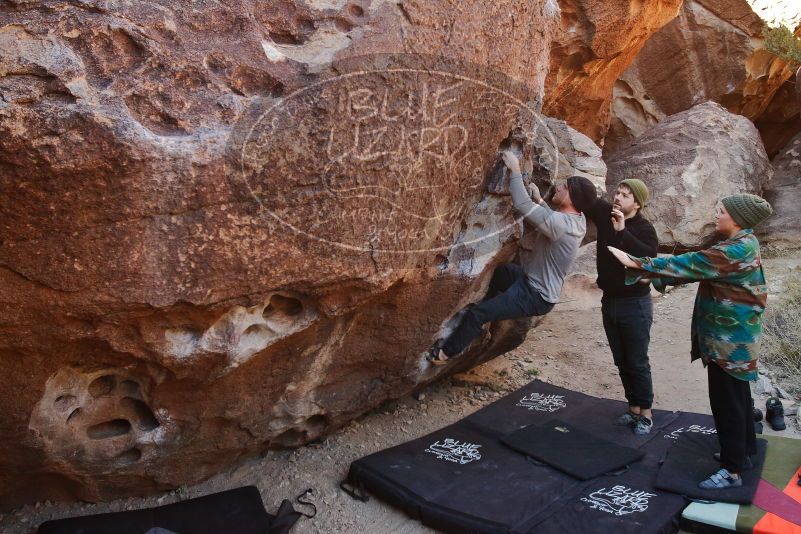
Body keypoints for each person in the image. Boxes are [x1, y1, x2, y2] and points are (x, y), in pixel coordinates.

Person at [608, 193, 773, 489]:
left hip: (730, 344)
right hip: (733, 341)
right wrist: (654, 277)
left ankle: (732, 471)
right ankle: (743, 452)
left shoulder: (736, 249)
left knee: (728, 403)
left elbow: (696, 262)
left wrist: (639, 263)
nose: (716, 214)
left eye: (721, 211)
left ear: (736, 219)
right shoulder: (740, 245)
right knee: (738, 399)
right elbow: (703, 270)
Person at [428, 151, 597, 365]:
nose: (558, 187)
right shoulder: (577, 220)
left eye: (564, 186)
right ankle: (491, 310)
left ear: (571, 196)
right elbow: (554, 222)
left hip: (535, 295)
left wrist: (515, 170)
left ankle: (445, 354)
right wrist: (540, 201)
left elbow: (523, 205)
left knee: (478, 314)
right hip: (529, 282)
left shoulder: (561, 225)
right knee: (500, 273)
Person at [586, 179, 658, 435]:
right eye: (617, 192)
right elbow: (587, 197)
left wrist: (622, 230)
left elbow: (648, 258)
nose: (617, 197)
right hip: (610, 302)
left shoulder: (644, 228)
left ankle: (646, 414)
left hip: (634, 304)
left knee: (637, 361)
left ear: (637, 203)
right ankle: (633, 408)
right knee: (621, 360)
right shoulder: (607, 214)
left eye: (625, 195)